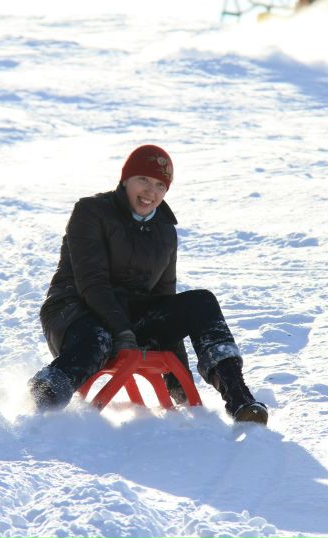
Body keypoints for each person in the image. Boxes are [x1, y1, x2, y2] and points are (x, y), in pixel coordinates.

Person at [28, 145, 268, 425]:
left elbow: (163, 301)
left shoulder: (165, 233)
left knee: (201, 303)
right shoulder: (91, 211)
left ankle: (240, 399)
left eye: (160, 185)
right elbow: (92, 283)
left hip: (129, 321)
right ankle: (37, 403)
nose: (151, 192)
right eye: (143, 179)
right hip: (74, 312)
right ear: (126, 179)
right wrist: (121, 331)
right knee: (98, 338)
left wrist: (177, 382)